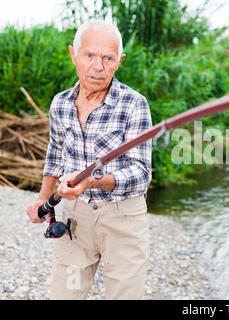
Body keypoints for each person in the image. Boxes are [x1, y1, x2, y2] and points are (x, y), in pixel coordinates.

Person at [26, 20, 152, 300]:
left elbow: (141, 173)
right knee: (65, 294)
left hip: (123, 220)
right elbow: (55, 152)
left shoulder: (135, 104)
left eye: (108, 58)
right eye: (90, 55)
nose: (99, 66)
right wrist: (42, 199)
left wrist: (92, 181)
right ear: (74, 54)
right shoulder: (60, 103)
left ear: (119, 61)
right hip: (75, 218)